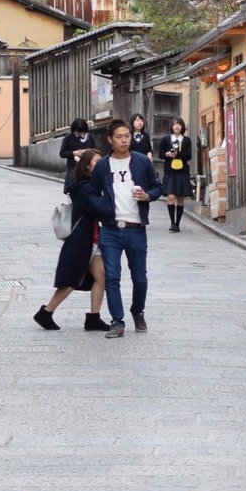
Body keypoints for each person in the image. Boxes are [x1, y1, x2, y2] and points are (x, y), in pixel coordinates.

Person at [85, 117, 163, 338]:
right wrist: (101, 207)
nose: (124, 140)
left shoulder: (142, 162)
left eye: (127, 136)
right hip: (110, 228)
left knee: (140, 277)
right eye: (119, 137)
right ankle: (117, 321)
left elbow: (158, 187)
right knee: (112, 275)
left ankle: (137, 311)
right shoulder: (102, 166)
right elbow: (91, 192)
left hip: (136, 227)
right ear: (110, 139)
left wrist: (147, 196)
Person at [33, 149, 110, 332]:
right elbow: (97, 209)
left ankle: (93, 318)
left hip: (93, 240)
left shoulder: (92, 185)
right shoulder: (84, 187)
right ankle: (46, 312)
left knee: (101, 276)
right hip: (82, 241)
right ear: (86, 166)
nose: (101, 164)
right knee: (71, 281)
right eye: (97, 161)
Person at [159, 117, 193, 232]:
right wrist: (167, 154)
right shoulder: (165, 139)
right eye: (174, 125)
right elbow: (160, 154)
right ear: (171, 127)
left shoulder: (187, 140)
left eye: (179, 124)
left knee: (180, 198)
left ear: (182, 127)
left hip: (182, 172)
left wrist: (178, 154)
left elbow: (189, 156)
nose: (177, 126)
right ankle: (172, 222)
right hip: (169, 171)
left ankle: (177, 223)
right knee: (171, 196)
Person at [59, 118, 96, 190]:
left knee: (88, 190)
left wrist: (86, 152)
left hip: (87, 168)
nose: (80, 134)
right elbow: (62, 153)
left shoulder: (90, 138)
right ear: (74, 129)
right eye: (77, 132)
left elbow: (95, 151)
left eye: (82, 132)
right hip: (73, 168)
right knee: (73, 190)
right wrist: (74, 153)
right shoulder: (68, 138)